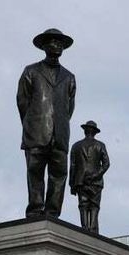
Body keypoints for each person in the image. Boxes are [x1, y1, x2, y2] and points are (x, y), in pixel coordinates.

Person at [17, 28, 76, 218]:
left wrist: (59, 124)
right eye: (53, 42)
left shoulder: (69, 77)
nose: (57, 45)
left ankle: (52, 213)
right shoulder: (31, 71)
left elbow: (69, 108)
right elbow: (22, 101)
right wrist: (32, 123)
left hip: (60, 135)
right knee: (35, 172)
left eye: (60, 43)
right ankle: (35, 210)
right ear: (43, 46)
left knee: (59, 176)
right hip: (36, 132)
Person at [69, 121, 110, 233]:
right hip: (96, 182)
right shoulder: (100, 145)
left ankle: (85, 229)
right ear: (95, 132)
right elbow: (106, 164)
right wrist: (96, 175)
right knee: (94, 206)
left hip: (80, 181)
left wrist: (72, 184)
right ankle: (92, 230)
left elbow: (72, 167)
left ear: (85, 131)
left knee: (83, 205)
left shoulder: (76, 146)